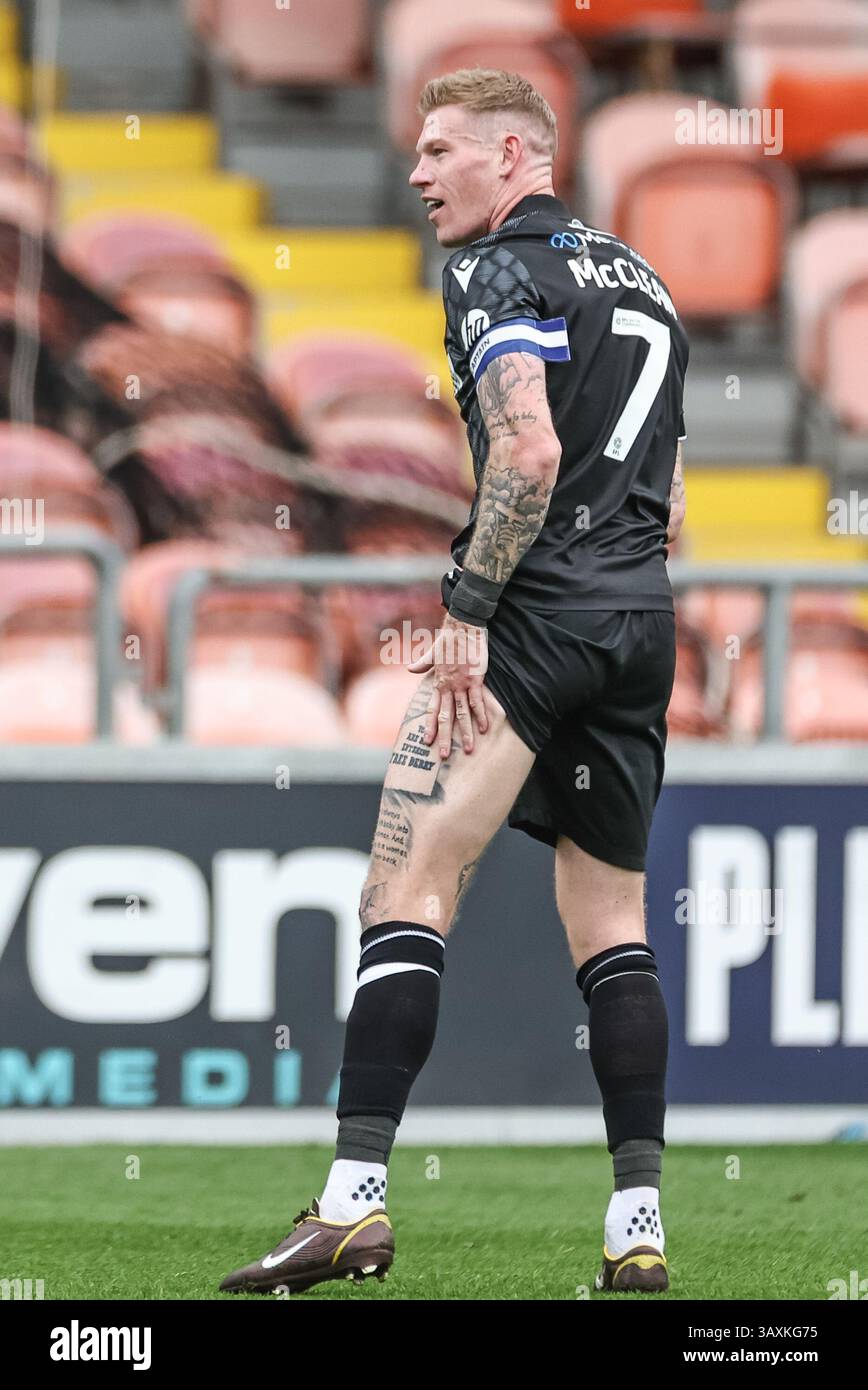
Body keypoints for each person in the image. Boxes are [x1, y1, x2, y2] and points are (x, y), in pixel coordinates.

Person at [220, 66, 688, 1297]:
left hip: (532, 616)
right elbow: (672, 497)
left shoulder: (494, 270)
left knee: (404, 891)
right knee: (614, 927)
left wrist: (469, 609)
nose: (419, 173)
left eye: (440, 150)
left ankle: (352, 1206)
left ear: (516, 155)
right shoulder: (641, 279)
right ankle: (636, 1223)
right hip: (640, 618)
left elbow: (526, 450)